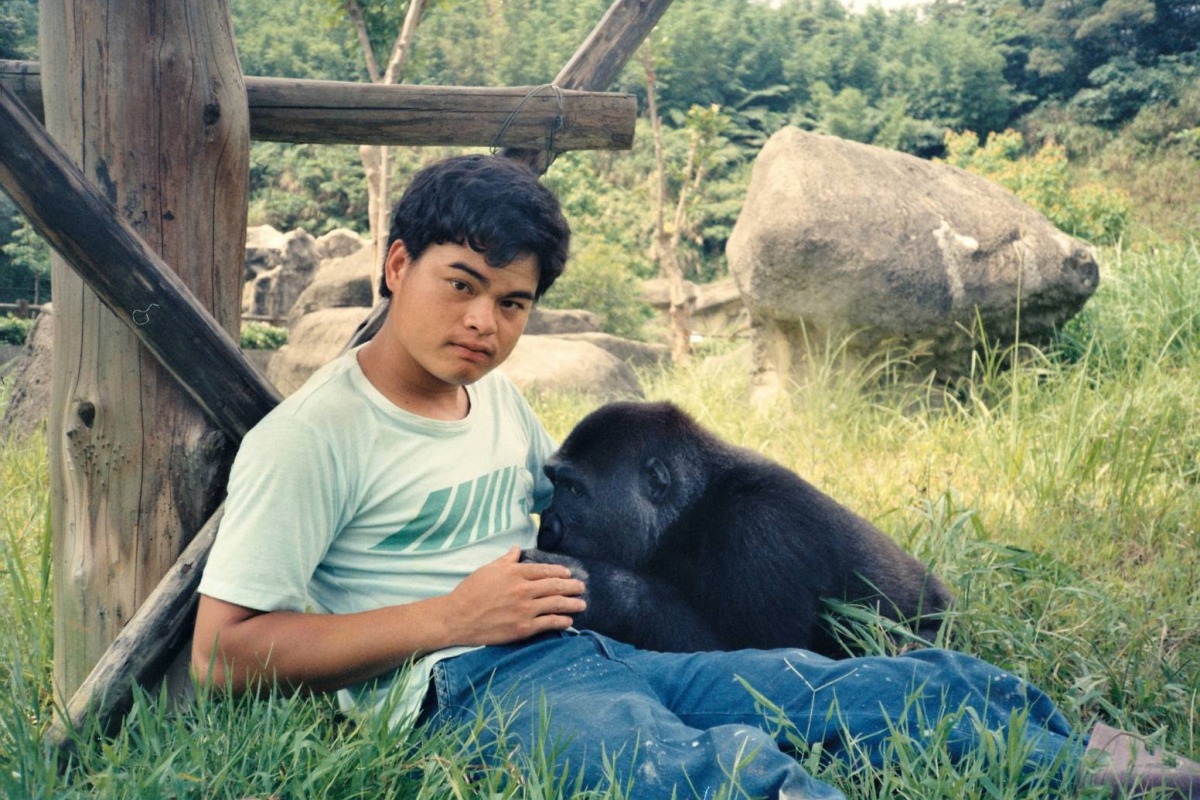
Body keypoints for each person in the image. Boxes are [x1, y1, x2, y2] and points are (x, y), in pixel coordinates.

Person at [193, 154, 1199, 799]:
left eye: (512, 303)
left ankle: (1093, 760)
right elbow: (221, 655)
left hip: (587, 647)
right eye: (461, 285)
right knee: (705, 772)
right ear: (394, 264)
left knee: (877, 687)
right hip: (460, 686)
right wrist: (449, 618)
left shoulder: (496, 404)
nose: (483, 323)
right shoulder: (310, 439)